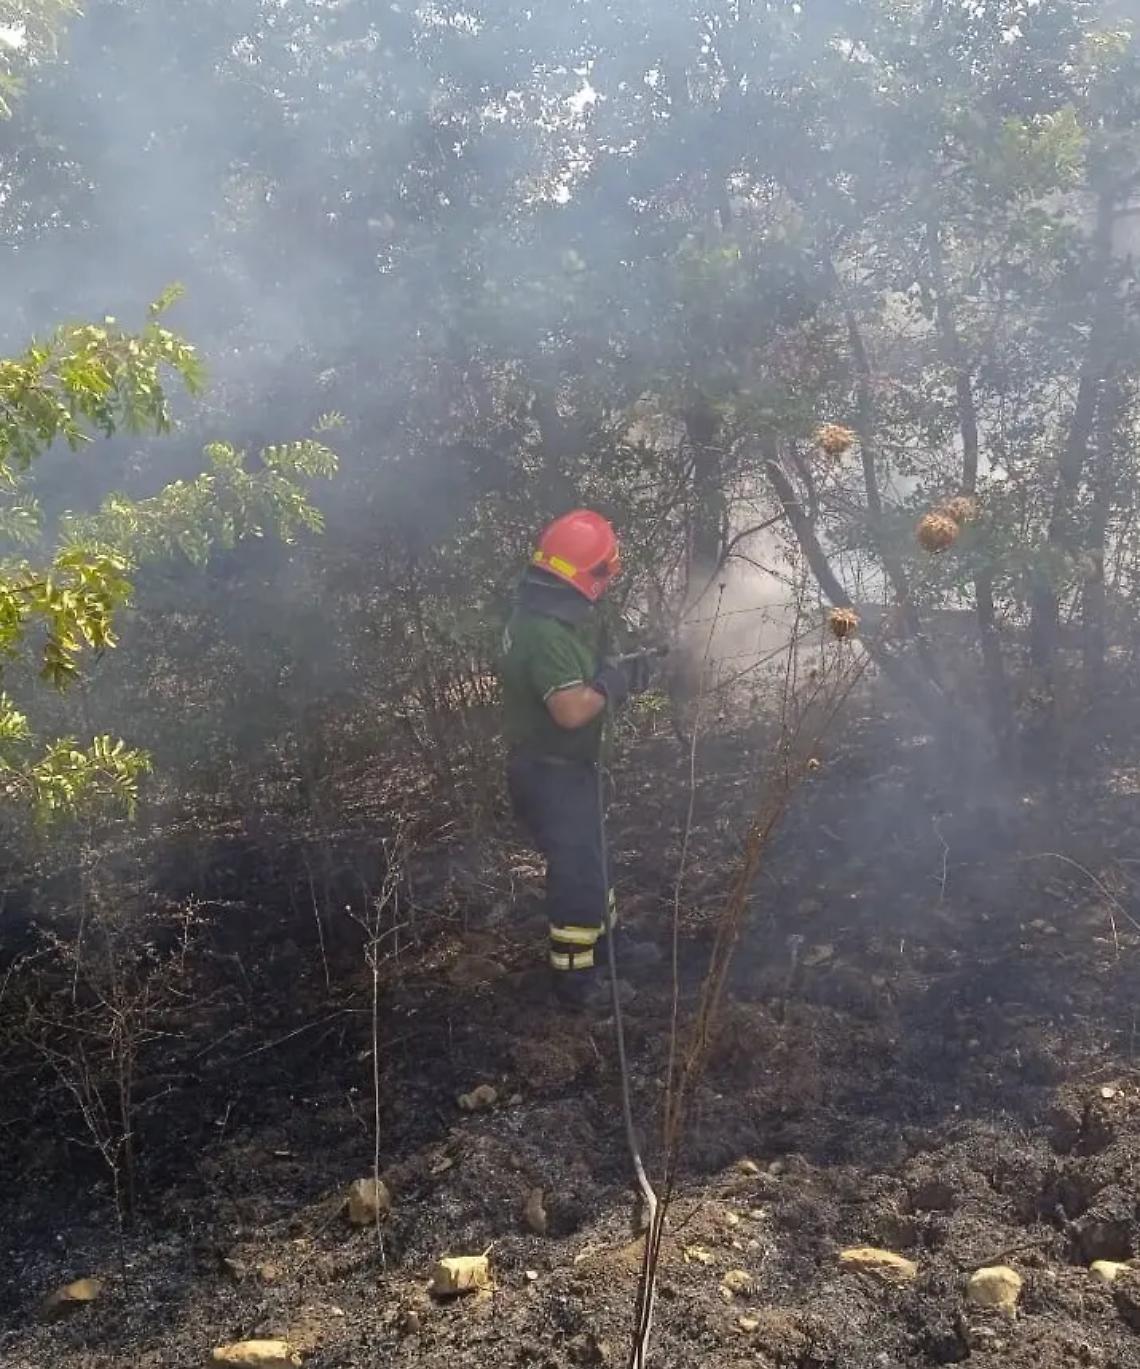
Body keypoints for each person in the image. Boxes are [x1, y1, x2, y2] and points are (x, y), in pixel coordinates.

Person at [499, 509, 653, 1009]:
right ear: (583, 577)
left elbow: (574, 681)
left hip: (560, 771)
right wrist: (609, 685)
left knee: (592, 859)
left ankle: (606, 947)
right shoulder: (544, 635)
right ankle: (576, 980)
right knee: (575, 870)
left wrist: (618, 674)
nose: (601, 592)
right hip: (551, 775)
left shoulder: (541, 621)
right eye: (600, 580)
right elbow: (569, 710)